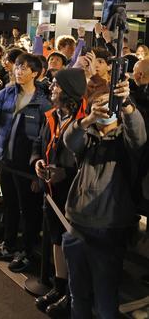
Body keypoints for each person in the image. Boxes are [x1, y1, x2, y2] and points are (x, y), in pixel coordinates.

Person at [62, 75, 146, 319]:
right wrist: (88, 119)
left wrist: (127, 104)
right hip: (77, 226)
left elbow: (138, 135)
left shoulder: (124, 139)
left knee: (105, 299)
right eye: (97, 104)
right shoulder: (88, 137)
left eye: (108, 104)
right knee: (78, 294)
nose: (104, 108)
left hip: (109, 229)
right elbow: (69, 140)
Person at [0, 53, 51, 272]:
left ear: (36, 73)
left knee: (29, 210)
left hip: (27, 166)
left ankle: (26, 252)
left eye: (25, 68)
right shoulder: (7, 92)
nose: (19, 71)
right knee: (9, 204)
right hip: (5, 160)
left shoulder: (42, 102)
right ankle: (8, 245)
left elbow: (44, 138)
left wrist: (38, 169)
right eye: (18, 67)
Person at [31, 68, 87, 317]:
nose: (52, 88)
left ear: (70, 91)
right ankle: (59, 285)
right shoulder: (52, 115)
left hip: (74, 192)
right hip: (51, 189)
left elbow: (89, 160)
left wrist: (67, 172)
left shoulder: (85, 119)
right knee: (55, 237)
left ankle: (72, 295)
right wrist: (37, 162)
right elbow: (38, 144)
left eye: (57, 85)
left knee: (71, 242)